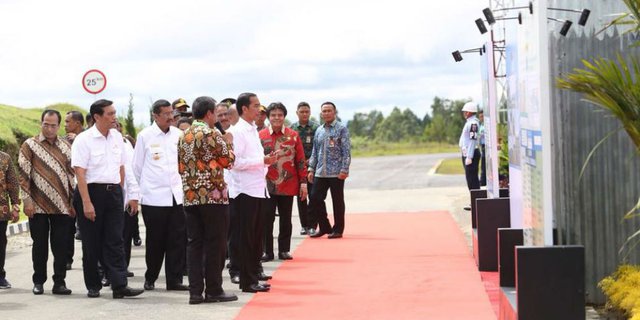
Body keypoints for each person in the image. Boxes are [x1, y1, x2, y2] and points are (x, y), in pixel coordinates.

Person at [71, 99, 144, 299]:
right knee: (92, 241)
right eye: (110, 114)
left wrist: (124, 193)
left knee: (115, 240)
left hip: (113, 193)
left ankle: (119, 285)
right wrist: (86, 202)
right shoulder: (84, 139)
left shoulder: (117, 138)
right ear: (97, 116)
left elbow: (122, 167)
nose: (114, 117)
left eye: (114, 113)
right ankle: (93, 284)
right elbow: (80, 172)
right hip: (91, 192)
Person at [178, 96, 237, 304]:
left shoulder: (183, 135)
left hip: (190, 196)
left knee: (194, 244)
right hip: (213, 196)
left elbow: (181, 167)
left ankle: (195, 292)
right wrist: (229, 143)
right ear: (210, 113)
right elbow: (228, 161)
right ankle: (213, 289)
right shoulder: (212, 133)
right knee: (216, 243)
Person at [18, 109, 76, 295]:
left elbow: (71, 175)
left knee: (60, 247)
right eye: (46, 124)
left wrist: (73, 202)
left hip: (61, 205)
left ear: (58, 126)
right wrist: (27, 201)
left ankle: (59, 282)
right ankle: (39, 281)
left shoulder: (66, 146)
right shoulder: (30, 145)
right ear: (40, 123)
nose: (49, 128)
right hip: (37, 205)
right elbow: (23, 175)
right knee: (40, 246)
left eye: (53, 125)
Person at [133, 99, 188, 292]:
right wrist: (140, 193)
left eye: (171, 113)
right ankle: (151, 277)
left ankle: (174, 280)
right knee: (155, 241)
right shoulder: (145, 136)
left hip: (176, 196)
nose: (170, 117)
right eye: (165, 114)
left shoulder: (179, 135)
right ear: (155, 116)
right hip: (154, 198)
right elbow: (136, 168)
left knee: (177, 240)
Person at [228, 92, 276, 293]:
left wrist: (266, 161)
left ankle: (253, 276)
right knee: (246, 238)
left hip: (257, 189)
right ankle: (247, 281)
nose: (259, 109)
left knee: (256, 237)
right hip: (244, 191)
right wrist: (262, 161)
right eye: (255, 106)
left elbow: (254, 159)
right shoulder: (237, 131)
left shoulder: (253, 130)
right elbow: (235, 162)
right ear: (244, 109)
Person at [259, 102, 307, 261]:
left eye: (280, 115)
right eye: (273, 115)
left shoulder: (293, 135)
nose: (277, 118)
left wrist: (303, 182)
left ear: (284, 116)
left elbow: (300, 159)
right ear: (268, 117)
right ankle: (268, 251)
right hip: (267, 185)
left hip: (288, 184)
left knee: (286, 219)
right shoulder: (261, 135)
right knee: (267, 219)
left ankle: (284, 250)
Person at [308, 102, 351, 239]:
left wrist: (344, 169)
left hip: (336, 172)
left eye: (329, 111)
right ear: (321, 113)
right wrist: (311, 168)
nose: (326, 113)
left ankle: (338, 229)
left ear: (334, 112)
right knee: (314, 198)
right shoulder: (319, 130)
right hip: (320, 171)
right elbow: (315, 151)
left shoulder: (341, 129)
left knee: (337, 201)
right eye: (324, 111)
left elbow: (346, 151)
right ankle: (324, 226)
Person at [113, 121, 140, 278]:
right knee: (108, 237)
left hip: (125, 197)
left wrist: (134, 196)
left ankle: (123, 267)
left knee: (125, 235)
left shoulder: (126, 145)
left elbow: (131, 170)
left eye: (117, 127)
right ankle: (105, 271)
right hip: (106, 197)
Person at [290, 101, 320, 235]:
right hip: (297, 168)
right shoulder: (292, 129)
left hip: (313, 168)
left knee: (314, 196)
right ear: (297, 113)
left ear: (310, 113)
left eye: (306, 112)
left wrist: (311, 162)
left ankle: (313, 224)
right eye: (301, 112)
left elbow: (319, 147)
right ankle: (304, 225)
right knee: (301, 197)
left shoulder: (316, 128)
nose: (304, 114)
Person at [64, 110, 84, 266]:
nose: (65, 125)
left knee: (87, 228)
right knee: (68, 225)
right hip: (69, 188)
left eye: (67, 121)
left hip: (85, 187)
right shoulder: (63, 141)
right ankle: (67, 259)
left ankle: (91, 259)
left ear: (77, 123)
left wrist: (77, 140)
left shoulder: (89, 137)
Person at [0, 151, 20, 289]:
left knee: (0, 243)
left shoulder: (5, 158)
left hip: (1, 210)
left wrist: (15, 205)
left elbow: (12, 182)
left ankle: (0, 276)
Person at [459, 102, 481, 211]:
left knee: (472, 179)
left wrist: (469, 156)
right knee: (470, 179)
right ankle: (474, 202)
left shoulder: (473, 124)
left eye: (465, 112)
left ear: (468, 112)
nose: (464, 113)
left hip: (470, 154)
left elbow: (472, 141)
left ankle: (476, 203)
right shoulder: (470, 122)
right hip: (467, 153)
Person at [478, 110, 487, 187]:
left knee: (484, 164)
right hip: (482, 146)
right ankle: (483, 180)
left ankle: (483, 180)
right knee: (483, 164)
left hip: (487, 146)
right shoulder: (480, 126)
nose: (482, 118)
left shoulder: (486, 126)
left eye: (483, 116)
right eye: (480, 116)